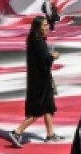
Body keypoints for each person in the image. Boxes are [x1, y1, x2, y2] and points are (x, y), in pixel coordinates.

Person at [8, 16, 62, 146]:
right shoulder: (39, 43)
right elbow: (45, 63)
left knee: (48, 105)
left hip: (38, 79)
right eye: (44, 25)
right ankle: (17, 132)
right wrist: (53, 56)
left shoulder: (33, 41)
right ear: (38, 28)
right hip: (40, 81)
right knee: (38, 109)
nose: (47, 27)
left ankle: (50, 134)